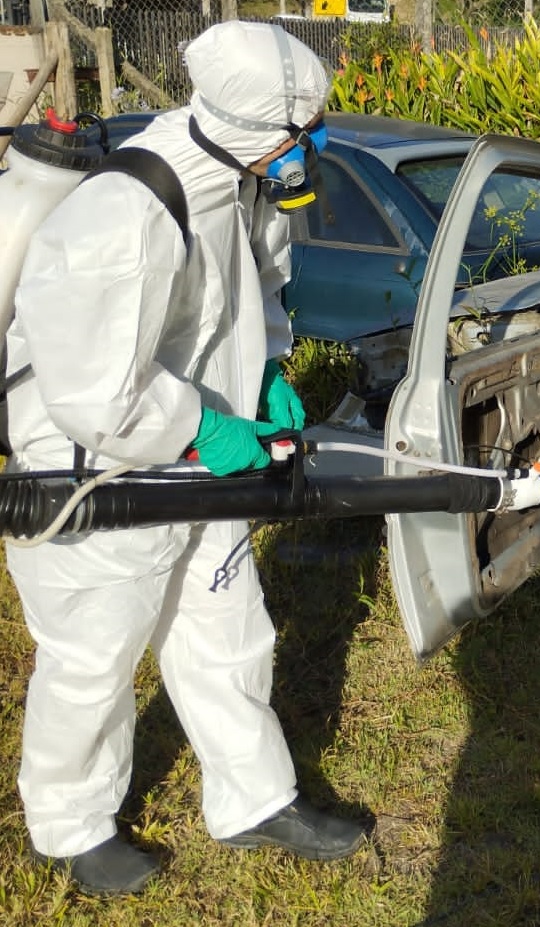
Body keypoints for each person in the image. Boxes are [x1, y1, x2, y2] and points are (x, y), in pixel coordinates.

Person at [5, 20, 366, 896]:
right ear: (254, 126)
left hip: (208, 445)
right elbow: (92, 388)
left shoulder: (240, 180)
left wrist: (270, 365)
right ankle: (71, 824)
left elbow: (260, 286)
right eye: (302, 134)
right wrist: (200, 430)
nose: (310, 150)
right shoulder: (128, 210)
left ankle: (253, 797)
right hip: (93, 464)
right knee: (94, 656)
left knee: (225, 624)